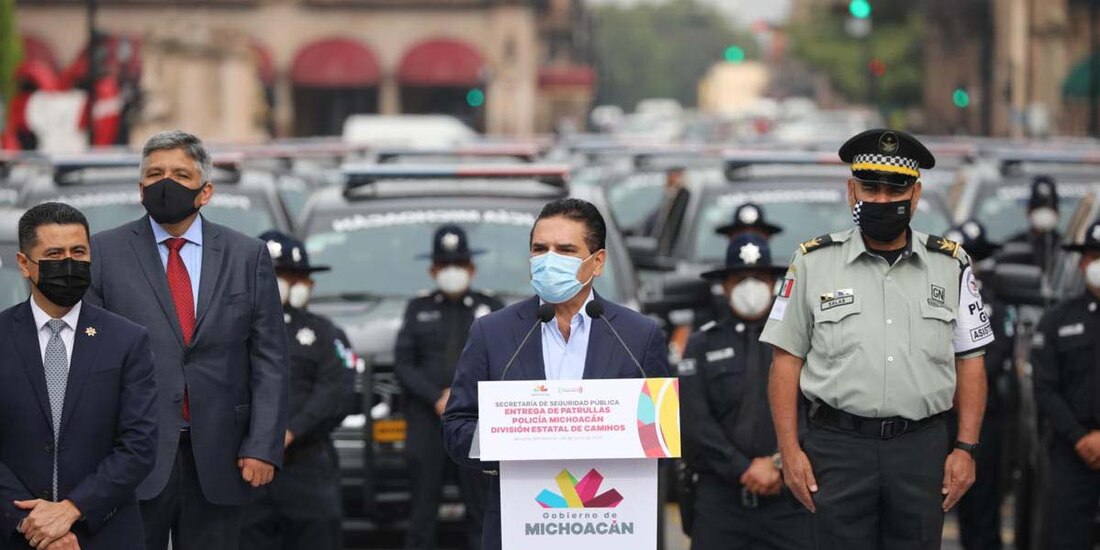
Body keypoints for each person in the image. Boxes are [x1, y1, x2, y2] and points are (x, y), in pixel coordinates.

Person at [761, 129, 994, 550]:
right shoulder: (812, 262)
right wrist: (789, 451)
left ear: (916, 195)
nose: (883, 200)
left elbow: (971, 360)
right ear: (851, 191)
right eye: (870, 187)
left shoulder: (951, 264)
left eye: (895, 188)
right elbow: (785, 361)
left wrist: (966, 449)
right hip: (837, 450)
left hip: (920, 452)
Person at [85, 130, 288, 550]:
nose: (166, 183)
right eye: (155, 174)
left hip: (221, 454)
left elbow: (269, 358)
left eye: (180, 174)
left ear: (205, 190)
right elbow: (89, 360)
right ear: (141, 190)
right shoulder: (103, 253)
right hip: (133, 454)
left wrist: (263, 444)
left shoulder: (246, 256)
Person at [441, 198, 671, 550]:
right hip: (522, 524)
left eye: (565, 250)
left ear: (597, 262)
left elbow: (664, 435)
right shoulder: (493, 333)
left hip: (610, 523)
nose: (549, 260)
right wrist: (508, 437)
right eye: (540, 249)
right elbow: (456, 427)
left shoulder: (638, 336)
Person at [1, 203, 157, 549]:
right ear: (25, 264)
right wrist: (32, 524)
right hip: (15, 533)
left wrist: (72, 509)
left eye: (79, 252)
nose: (69, 263)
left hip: (103, 533)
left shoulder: (127, 340)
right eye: (55, 254)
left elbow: (139, 445)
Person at [679, 233, 810, 550]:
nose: (750, 287)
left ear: (774, 284)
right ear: (724, 286)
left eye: (759, 278)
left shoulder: (801, 341)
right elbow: (693, 420)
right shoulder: (701, 344)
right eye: (740, 279)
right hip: (720, 500)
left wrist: (778, 464)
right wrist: (743, 468)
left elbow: (815, 414)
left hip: (790, 499)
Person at [240, 231, 353, 550]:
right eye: (277, 275)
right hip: (246, 469)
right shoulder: (231, 329)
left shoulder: (325, 332)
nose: (287, 283)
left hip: (306, 467)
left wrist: (290, 431)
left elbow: (338, 391)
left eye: (296, 276)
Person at [395, 224, 502, 550]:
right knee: (422, 511)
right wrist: (435, 396)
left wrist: (462, 398)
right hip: (429, 421)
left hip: (477, 421)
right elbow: (404, 363)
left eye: (459, 265)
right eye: (444, 266)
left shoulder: (491, 308)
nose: (452, 272)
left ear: (472, 268)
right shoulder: (418, 308)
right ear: (432, 270)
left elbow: (503, 363)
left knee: (481, 509)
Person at [1031, 220, 1100, 548]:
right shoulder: (1057, 320)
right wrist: (1081, 437)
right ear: (1082, 262)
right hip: (1073, 451)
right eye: (1094, 256)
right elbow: (1044, 388)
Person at [944, 220, 1010, 550]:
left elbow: (994, 358)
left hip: (982, 416)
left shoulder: (992, 302)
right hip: (936, 416)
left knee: (982, 506)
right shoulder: (931, 295)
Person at [1005, 175, 1061, 274]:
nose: (1044, 214)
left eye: (1049, 208)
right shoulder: (1014, 245)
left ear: (1057, 213)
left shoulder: (1064, 246)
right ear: (1028, 211)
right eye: (1038, 208)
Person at [641, 166, 688, 238]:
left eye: (676, 175)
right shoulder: (660, 198)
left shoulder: (686, 201)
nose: (671, 179)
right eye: (669, 175)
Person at [714, 203, 784, 241]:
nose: (748, 238)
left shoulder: (791, 267)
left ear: (769, 237)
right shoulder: (705, 268)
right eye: (741, 234)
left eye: (756, 235)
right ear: (729, 237)